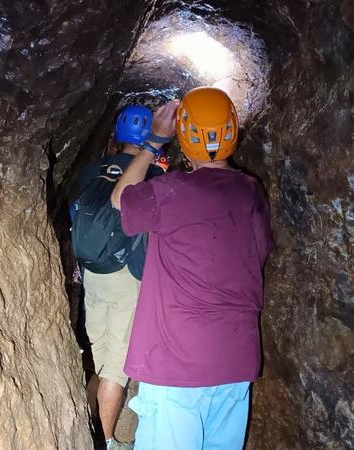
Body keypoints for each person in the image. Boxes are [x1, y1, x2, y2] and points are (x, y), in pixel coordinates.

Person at [111, 87, 273, 450]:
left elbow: (121, 199)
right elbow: (260, 251)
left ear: (184, 137)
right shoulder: (252, 192)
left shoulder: (172, 191)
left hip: (177, 363)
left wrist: (154, 141)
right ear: (234, 131)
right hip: (235, 361)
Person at [72, 104, 167, 450]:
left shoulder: (93, 171)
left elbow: (74, 215)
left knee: (101, 354)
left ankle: (95, 421)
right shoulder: (153, 177)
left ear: (117, 134)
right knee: (115, 367)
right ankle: (110, 442)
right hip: (125, 276)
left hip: (93, 274)